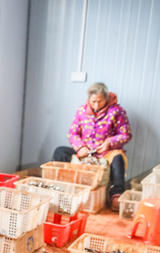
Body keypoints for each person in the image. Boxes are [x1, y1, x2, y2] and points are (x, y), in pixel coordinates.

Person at [53, 82, 132, 210]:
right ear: (89, 99)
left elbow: (125, 134)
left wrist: (109, 143)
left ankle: (116, 195)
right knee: (60, 151)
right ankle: (61, 189)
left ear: (106, 98)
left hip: (105, 154)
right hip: (85, 152)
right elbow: (72, 133)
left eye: (100, 101)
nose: (96, 105)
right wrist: (80, 147)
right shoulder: (81, 111)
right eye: (93, 101)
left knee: (118, 158)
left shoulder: (117, 111)